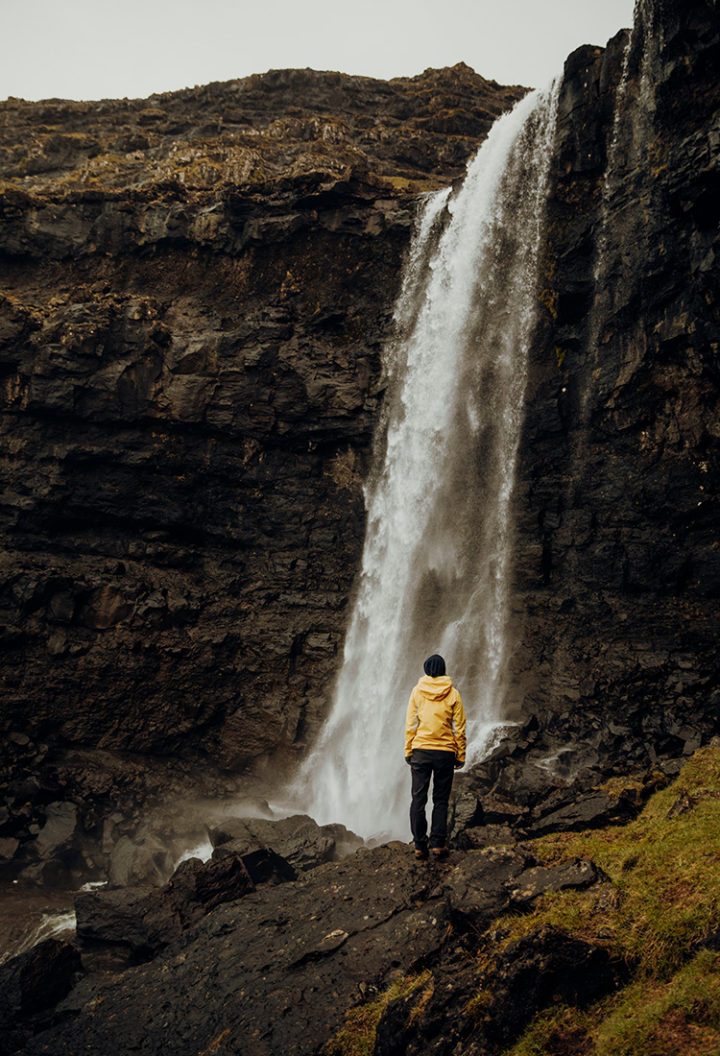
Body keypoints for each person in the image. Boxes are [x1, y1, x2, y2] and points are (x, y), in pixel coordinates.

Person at [404, 654, 466, 861]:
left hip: (421, 750)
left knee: (418, 799)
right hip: (445, 752)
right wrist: (461, 754)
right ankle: (438, 844)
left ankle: (420, 846)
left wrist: (408, 750)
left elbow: (411, 723)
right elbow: (459, 728)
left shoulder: (416, 691)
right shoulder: (454, 694)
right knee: (440, 800)